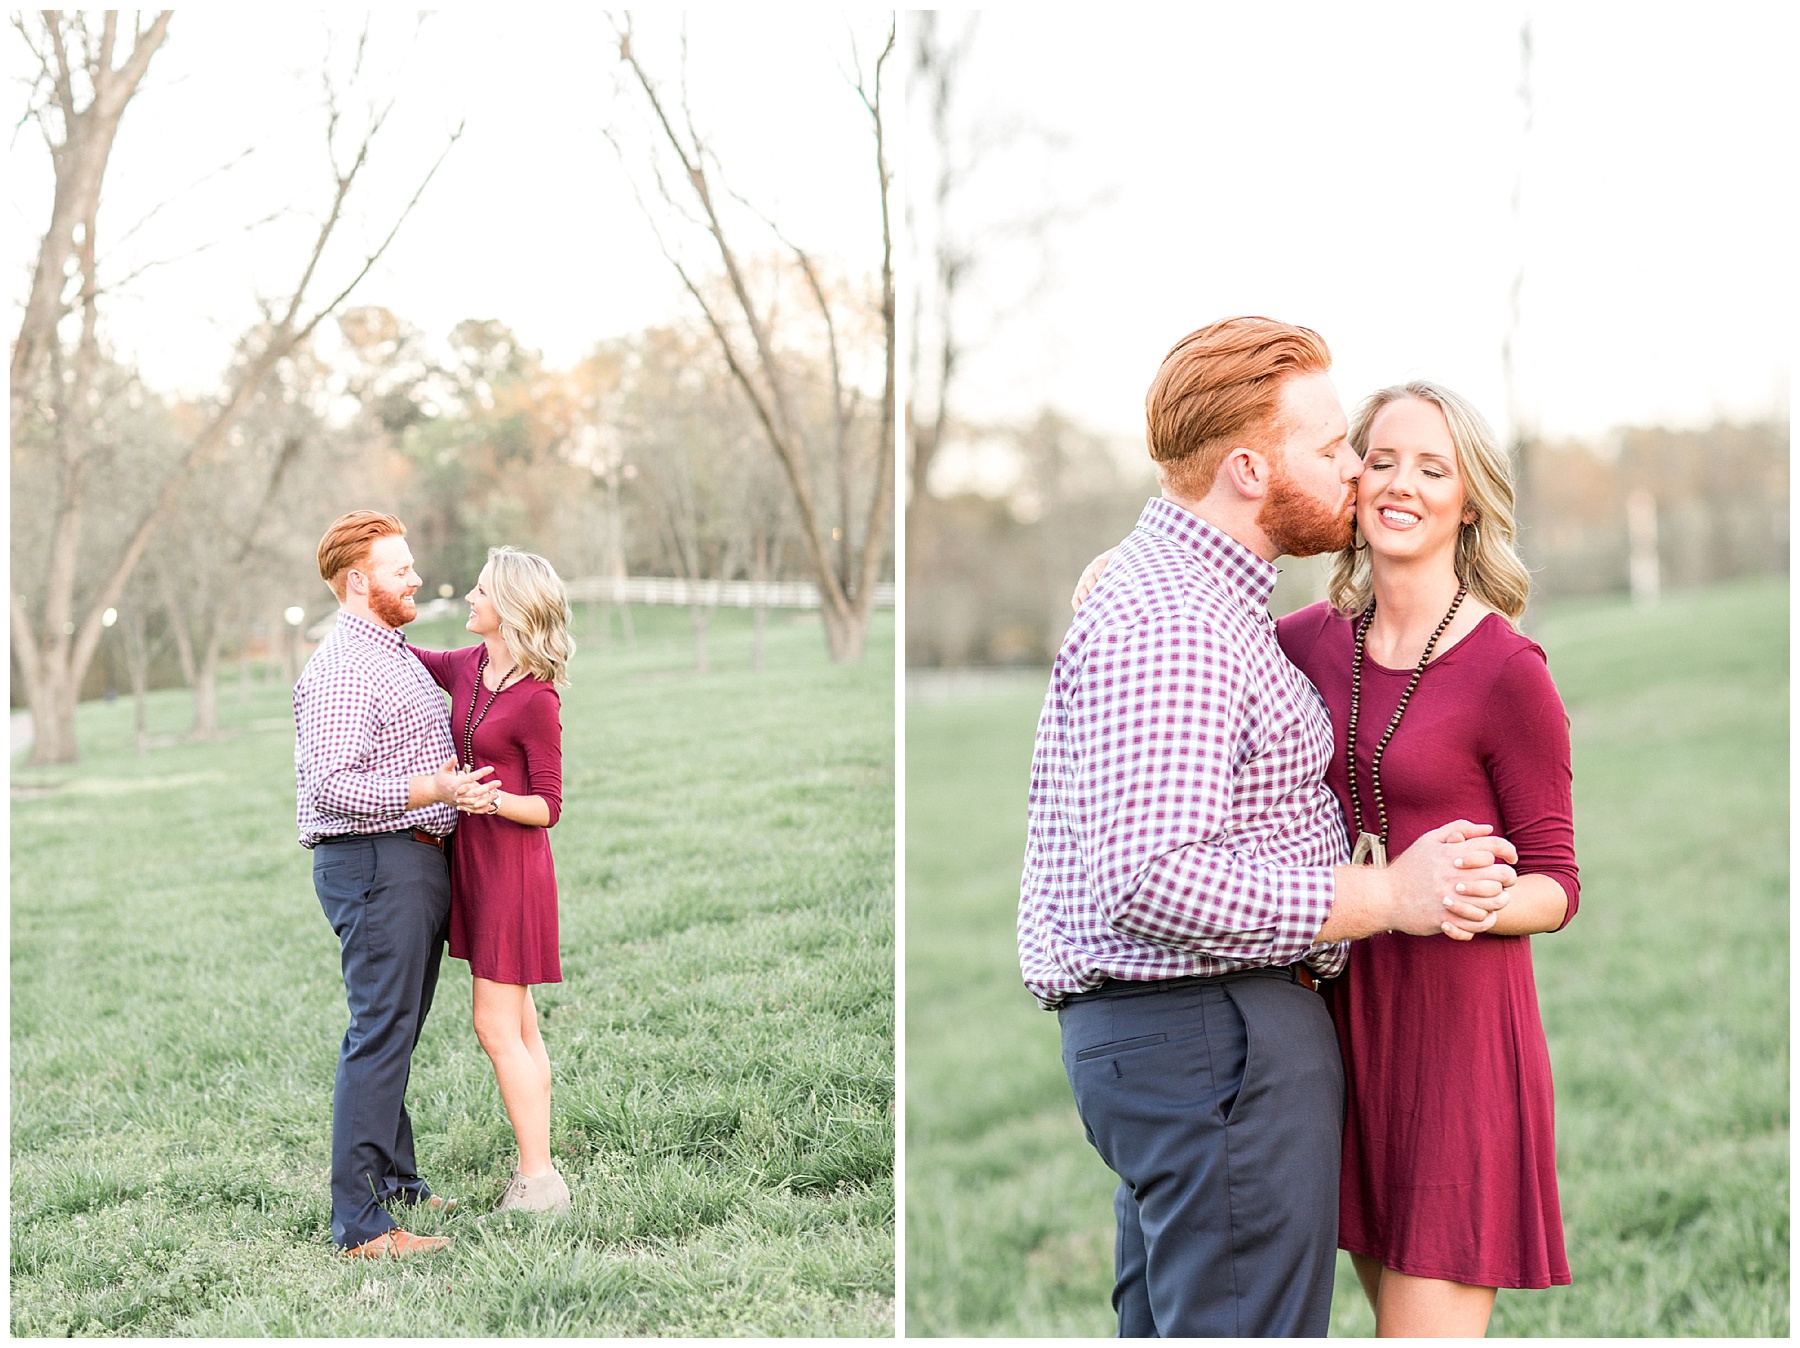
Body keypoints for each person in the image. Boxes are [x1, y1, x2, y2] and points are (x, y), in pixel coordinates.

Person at [1021, 316, 1522, 1337]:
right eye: (1332, 446)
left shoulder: (1197, 594)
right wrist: (1388, 894)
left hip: (1204, 1041)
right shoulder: (1177, 620)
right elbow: (1154, 875)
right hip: (1214, 1038)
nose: (1354, 471)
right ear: (1250, 469)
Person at [1273, 381, 1577, 1336]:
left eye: (1432, 467)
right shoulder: (1304, 645)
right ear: (1352, 484)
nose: (1403, 484)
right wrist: (1120, 560)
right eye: (1384, 460)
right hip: (1339, 1035)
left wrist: (1455, 897)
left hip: (1456, 1048)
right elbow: (1199, 602)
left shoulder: (1505, 672)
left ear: (1469, 500)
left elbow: (1558, 885)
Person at [294, 510, 492, 1259]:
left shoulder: (394, 652)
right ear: (358, 581)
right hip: (375, 861)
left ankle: (399, 1185)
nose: (414, 577)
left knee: (395, 1033)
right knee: (378, 1036)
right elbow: (334, 785)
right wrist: (431, 789)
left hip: (409, 859)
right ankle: (362, 1226)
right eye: (399, 567)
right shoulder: (345, 664)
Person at [408, 546, 574, 1214]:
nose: (469, 601)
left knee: (494, 1026)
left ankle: (538, 1182)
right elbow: (409, 657)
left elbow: (550, 807)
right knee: (522, 1027)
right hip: (475, 864)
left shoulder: (537, 699)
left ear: (506, 608)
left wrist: (488, 801)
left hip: (513, 870)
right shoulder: (470, 667)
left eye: (479, 592)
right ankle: (542, 1173)